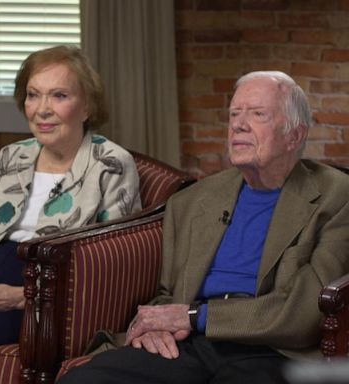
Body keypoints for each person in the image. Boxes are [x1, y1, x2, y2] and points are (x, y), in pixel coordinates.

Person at [57, 71, 349, 384]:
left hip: (272, 351)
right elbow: (167, 294)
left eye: (258, 114)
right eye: (235, 114)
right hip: (189, 343)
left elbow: (305, 311)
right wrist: (154, 324)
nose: (238, 124)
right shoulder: (192, 200)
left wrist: (197, 317)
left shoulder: (336, 197)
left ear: (295, 134)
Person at [0, 45, 142, 356]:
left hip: (42, 297)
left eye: (59, 96)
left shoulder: (111, 163)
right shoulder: (12, 155)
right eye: (33, 95)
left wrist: (24, 296)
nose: (42, 109)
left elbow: (116, 264)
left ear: (87, 107)